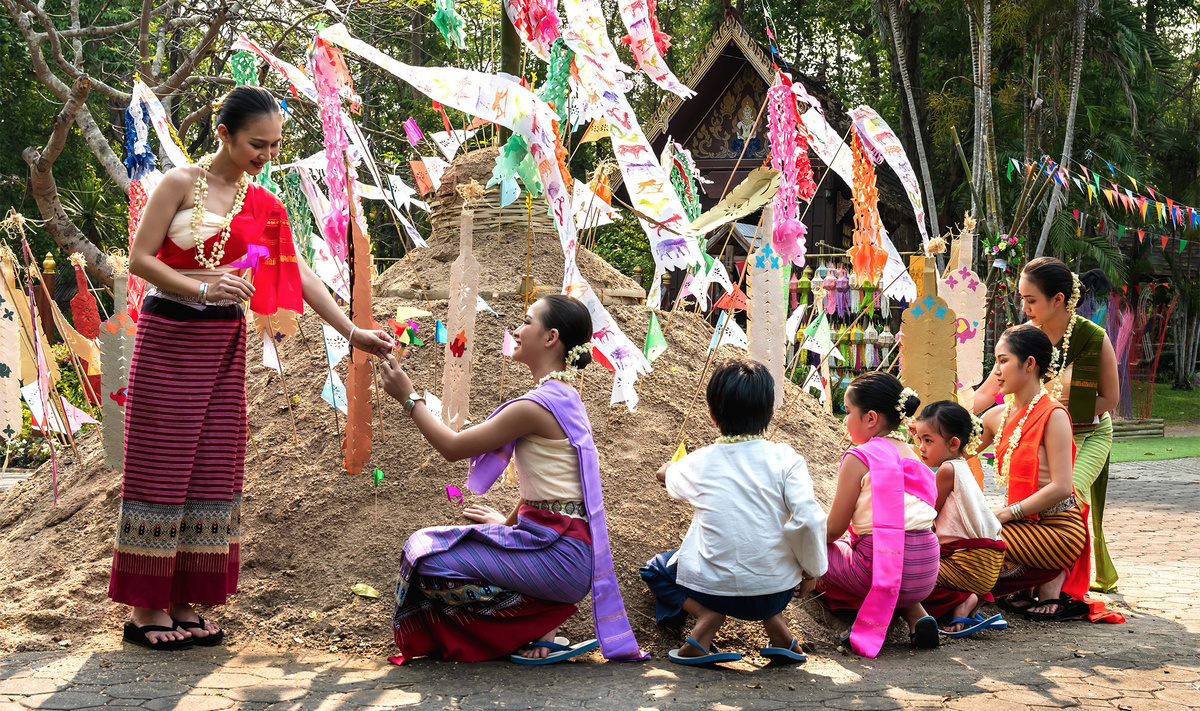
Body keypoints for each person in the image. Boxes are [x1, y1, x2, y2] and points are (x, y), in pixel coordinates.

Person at [110, 86, 394, 650]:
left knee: (212, 465)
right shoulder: (177, 184)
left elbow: (303, 276)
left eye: (273, 145)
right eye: (255, 145)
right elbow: (140, 259)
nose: (265, 155)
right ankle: (146, 610)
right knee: (163, 464)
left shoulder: (265, 205)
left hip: (223, 341)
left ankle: (185, 601)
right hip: (169, 335)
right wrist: (201, 284)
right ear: (224, 134)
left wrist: (353, 331)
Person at [377, 295, 647, 665]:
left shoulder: (534, 407)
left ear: (551, 337)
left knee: (425, 559)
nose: (517, 331)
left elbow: (453, 448)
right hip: (562, 549)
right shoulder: (564, 398)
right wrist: (504, 526)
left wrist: (408, 398)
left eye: (526, 321)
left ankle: (537, 620)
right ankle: (539, 615)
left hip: (558, 557)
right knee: (431, 550)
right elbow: (553, 488)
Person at [642, 359, 827, 666]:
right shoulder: (786, 459)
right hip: (777, 592)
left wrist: (670, 468)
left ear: (713, 415)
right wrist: (811, 571)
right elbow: (809, 518)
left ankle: (706, 618)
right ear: (769, 413)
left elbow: (665, 476)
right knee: (767, 558)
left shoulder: (699, 462)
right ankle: (779, 632)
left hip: (712, 592)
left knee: (655, 568)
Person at [974, 257, 1119, 592]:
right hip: (1038, 427)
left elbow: (1109, 400)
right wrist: (947, 415)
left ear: (1058, 299)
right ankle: (1032, 573)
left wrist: (1053, 415)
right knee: (1034, 494)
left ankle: (1062, 587)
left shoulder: (1093, 338)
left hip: (1089, 432)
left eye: (1031, 300)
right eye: (1022, 299)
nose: (1024, 308)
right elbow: (989, 389)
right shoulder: (1025, 338)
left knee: (1070, 497)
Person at [817, 372, 941, 657]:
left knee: (812, 551)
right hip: (925, 572)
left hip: (878, 569)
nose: (844, 421)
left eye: (847, 412)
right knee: (886, 545)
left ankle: (874, 619)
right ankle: (916, 614)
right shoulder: (916, 457)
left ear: (871, 418)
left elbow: (833, 530)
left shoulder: (859, 458)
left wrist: (798, 538)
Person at [979, 325, 1090, 621]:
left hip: (1059, 529)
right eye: (996, 362)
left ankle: (1039, 581)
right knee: (967, 542)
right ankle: (1025, 584)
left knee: (977, 544)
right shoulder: (995, 416)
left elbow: (1062, 487)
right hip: (1022, 527)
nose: (997, 371)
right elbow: (956, 448)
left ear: (1029, 364)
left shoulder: (1053, 415)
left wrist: (1005, 514)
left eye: (1003, 361)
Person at [912, 401, 1007, 637]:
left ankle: (963, 597)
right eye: (920, 440)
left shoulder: (946, 471)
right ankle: (970, 599)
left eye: (928, 440)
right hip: (989, 565)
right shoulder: (962, 466)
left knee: (910, 580)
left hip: (971, 565)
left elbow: (928, 512)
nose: (921, 448)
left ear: (953, 443)